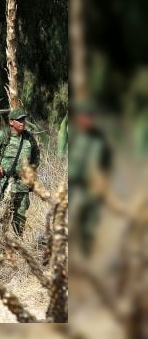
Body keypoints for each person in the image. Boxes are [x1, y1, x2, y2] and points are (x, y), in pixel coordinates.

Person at [0, 108, 41, 236]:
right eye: (19, 120)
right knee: (3, 213)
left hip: (23, 183)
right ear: (11, 122)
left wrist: (32, 168)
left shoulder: (29, 138)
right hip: (6, 182)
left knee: (20, 213)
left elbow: (36, 155)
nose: (22, 122)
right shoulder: (4, 135)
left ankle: (18, 241)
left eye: (23, 119)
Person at [68, 100, 111, 257]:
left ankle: (89, 253)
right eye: (85, 117)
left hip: (92, 186)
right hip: (74, 185)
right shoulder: (74, 136)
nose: (88, 120)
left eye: (91, 117)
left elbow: (107, 162)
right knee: (73, 219)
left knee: (91, 221)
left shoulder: (100, 138)